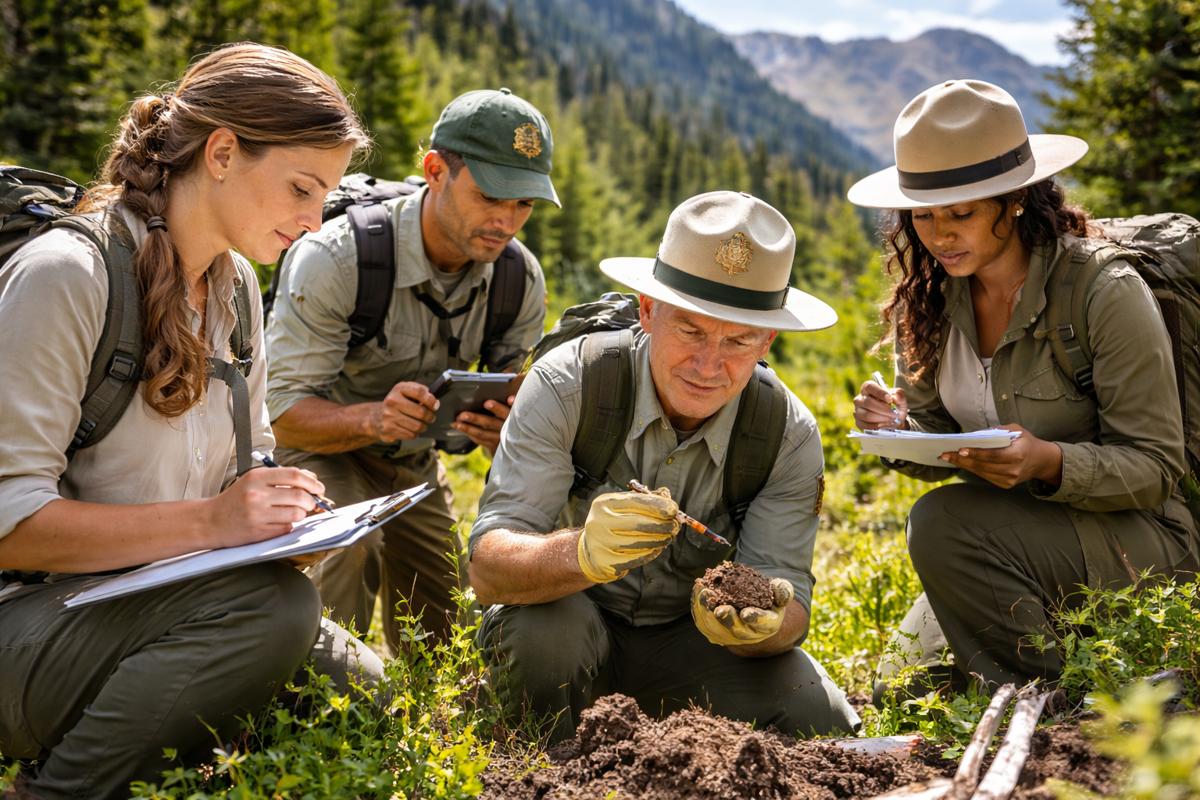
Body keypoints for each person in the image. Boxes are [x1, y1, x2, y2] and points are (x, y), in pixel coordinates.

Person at [0, 43, 379, 798]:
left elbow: (251, 458)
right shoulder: (66, 277)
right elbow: (9, 523)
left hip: (158, 608)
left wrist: (283, 512)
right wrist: (213, 524)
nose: (312, 222)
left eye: (327, 196)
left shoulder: (234, 286)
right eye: (302, 188)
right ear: (224, 151)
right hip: (26, 626)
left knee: (369, 697)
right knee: (273, 613)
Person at [467, 190, 860, 743]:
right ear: (648, 311)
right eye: (691, 330)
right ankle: (538, 757)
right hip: (570, 622)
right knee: (544, 640)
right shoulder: (568, 384)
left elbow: (791, 594)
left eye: (739, 340)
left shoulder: (786, 434)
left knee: (821, 719)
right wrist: (581, 552)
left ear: (768, 339)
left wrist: (764, 623)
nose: (708, 365)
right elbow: (487, 567)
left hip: (690, 648)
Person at [848, 79, 1200, 689]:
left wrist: (1047, 463)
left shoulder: (1102, 291)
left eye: (961, 213)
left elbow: (1156, 465)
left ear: (1014, 199)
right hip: (1003, 540)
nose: (939, 236)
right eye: (924, 215)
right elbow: (941, 438)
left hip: (1143, 539)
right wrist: (899, 431)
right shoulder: (928, 300)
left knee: (938, 524)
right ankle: (1053, 664)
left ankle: (1061, 709)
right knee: (907, 685)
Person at [265, 88, 555, 651]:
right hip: (318, 450)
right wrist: (375, 419)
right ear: (436, 170)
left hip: (415, 461)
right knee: (347, 550)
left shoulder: (519, 279)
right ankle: (311, 710)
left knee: (450, 633)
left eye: (524, 204)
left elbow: (522, 408)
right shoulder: (338, 257)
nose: (506, 220)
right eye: (492, 195)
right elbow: (279, 416)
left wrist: (505, 431)